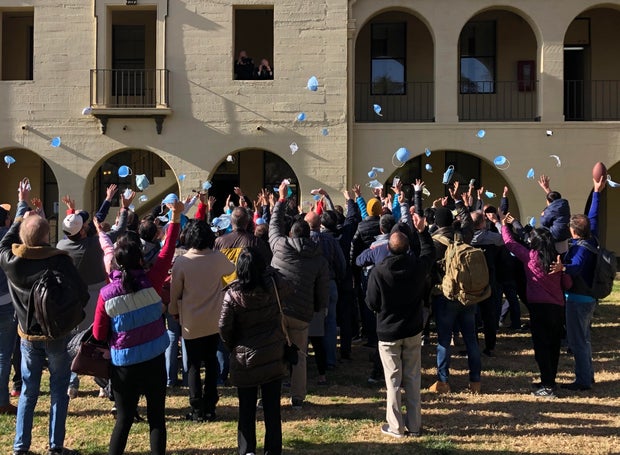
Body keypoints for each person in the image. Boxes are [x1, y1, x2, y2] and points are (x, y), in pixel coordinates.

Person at [0, 178, 88, 455]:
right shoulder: (59, 260)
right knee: (59, 388)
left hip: (27, 335)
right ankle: (55, 445)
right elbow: (81, 292)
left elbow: (5, 241)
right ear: (47, 237)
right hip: (56, 333)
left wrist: (22, 208)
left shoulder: (12, 262)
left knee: (29, 390)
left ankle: (20, 447)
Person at [92, 198, 182, 455]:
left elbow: (98, 333)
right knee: (157, 419)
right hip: (154, 359)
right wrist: (175, 218)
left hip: (124, 365)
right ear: (141, 260)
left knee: (124, 419)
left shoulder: (107, 294)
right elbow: (167, 251)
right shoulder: (152, 281)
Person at [366, 215, 435, 438]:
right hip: (412, 328)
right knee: (413, 378)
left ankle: (396, 426)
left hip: (388, 331)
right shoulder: (417, 267)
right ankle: (414, 425)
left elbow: (372, 302)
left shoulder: (379, 271)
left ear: (388, 248)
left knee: (393, 380)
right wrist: (423, 232)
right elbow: (429, 254)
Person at [219, 247, 289, 455]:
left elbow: (224, 327)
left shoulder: (233, 295)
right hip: (272, 351)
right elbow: (288, 287)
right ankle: (273, 449)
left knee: (246, 408)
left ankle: (247, 449)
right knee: (272, 408)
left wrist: (233, 346)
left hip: (245, 354)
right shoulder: (274, 286)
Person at [269, 180, 329, 409]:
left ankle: (268, 394)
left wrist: (281, 200)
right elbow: (322, 286)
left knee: (273, 352)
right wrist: (319, 309)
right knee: (300, 355)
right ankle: (298, 397)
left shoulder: (280, 245)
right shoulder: (318, 256)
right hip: (302, 312)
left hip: (278, 307)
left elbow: (274, 226)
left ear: (291, 233)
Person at [169, 220, 235, 422]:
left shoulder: (182, 262)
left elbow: (175, 293)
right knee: (212, 360)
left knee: (194, 365)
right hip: (214, 319)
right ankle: (210, 403)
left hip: (191, 321)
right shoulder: (218, 258)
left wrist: (173, 311)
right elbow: (233, 272)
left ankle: (197, 407)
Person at [501, 213, 572, 397]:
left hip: (539, 307)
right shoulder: (557, 260)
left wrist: (504, 227)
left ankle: (547, 384)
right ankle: (550, 380)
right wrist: (562, 272)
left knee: (541, 346)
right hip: (557, 307)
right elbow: (568, 284)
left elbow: (511, 245)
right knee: (554, 345)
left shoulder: (531, 257)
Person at [428, 185, 481, 394]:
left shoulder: (434, 243)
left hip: (445, 296)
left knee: (443, 340)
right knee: (471, 339)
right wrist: (458, 201)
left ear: (435, 223)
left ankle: (443, 381)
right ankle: (475, 381)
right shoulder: (464, 237)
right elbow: (468, 221)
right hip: (468, 295)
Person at [560, 175, 606, 391]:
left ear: (573, 231)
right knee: (584, 339)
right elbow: (594, 216)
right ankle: (588, 375)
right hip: (589, 298)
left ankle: (583, 380)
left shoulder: (579, 248)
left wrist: (563, 268)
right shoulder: (592, 238)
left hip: (577, 300)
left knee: (578, 341)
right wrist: (596, 192)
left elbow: (576, 266)